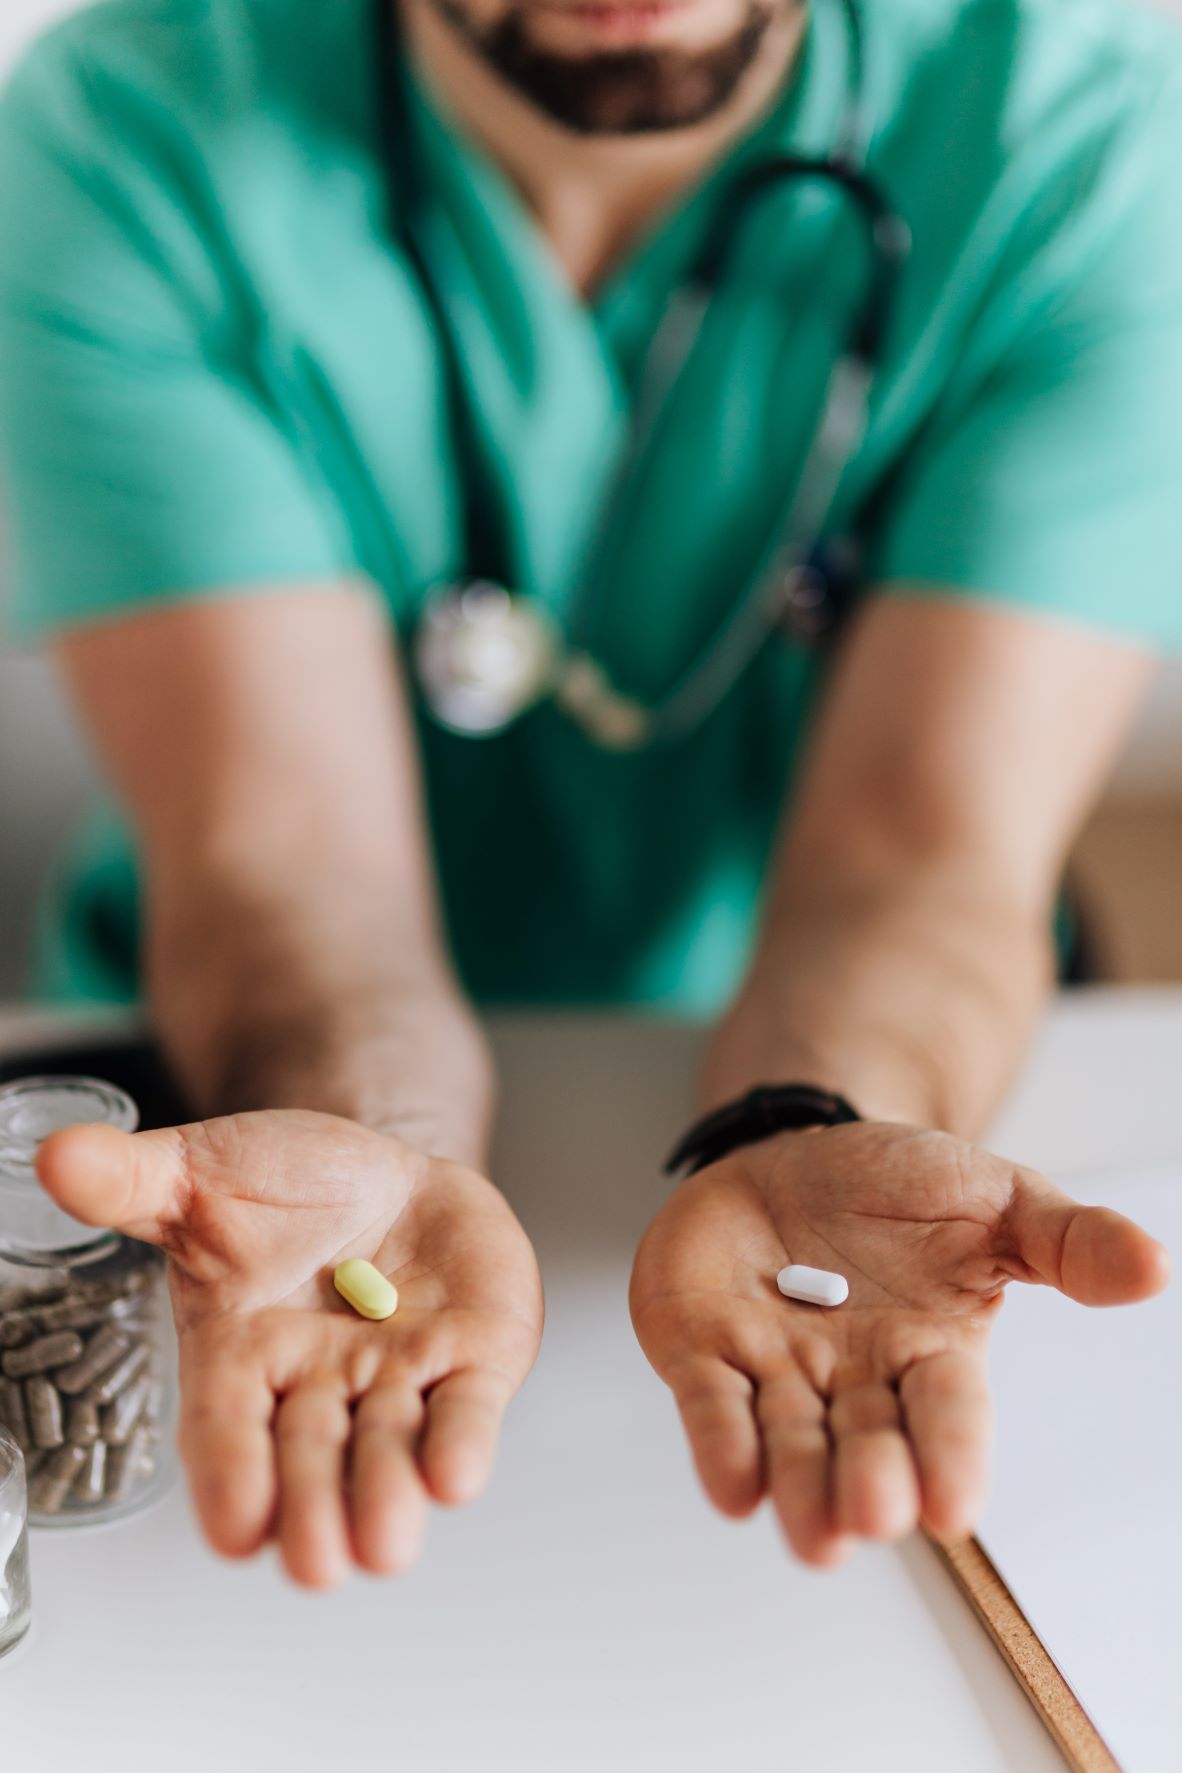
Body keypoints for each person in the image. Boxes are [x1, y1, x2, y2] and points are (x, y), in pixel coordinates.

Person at [0, 0, 1177, 1589]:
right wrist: (374, 1135)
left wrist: (805, 1111)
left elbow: (924, 850)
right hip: (266, 1147)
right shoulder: (127, 137)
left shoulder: (1085, 154)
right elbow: (282, 862)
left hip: (825, 1101)